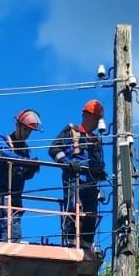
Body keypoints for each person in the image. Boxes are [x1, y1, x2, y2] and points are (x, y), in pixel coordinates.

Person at [49, 99, 106, 251]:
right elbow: (54, 150)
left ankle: (86, 248)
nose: (97, 123)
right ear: (87, 116)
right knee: (74, 209)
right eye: (96, 118)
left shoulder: (96, 141)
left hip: (91, 184)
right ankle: (70, 244)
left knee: (90, 216)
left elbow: (101, 163)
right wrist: (68, 163)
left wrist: (101, 172)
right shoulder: (71, 131)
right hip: (74, 180)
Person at [0, 109, 41, 242]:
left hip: (16, 194)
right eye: (26, 130)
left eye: (30, 131)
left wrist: (33, 168)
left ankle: (7, 245)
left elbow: (26, 175)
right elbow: (4, 154)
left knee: (14, 225)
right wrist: (26, 161)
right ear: (18, 126)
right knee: (8, 226)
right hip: (3, 192)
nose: (27, 134)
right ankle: (7, 247)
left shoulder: (26, 149)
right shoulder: (4, 140)